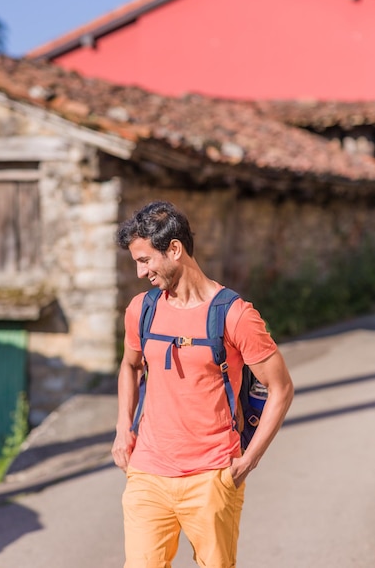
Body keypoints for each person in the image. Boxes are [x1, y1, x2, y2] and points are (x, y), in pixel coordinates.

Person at [112, 200, 294, 568]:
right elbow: (131, 366)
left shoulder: (234, 314)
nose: (139, 272)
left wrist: (248, 462)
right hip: (148, 472)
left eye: (145, 260)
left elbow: (281, 388)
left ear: (174, 249)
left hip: (212, 476)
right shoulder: (141, 309)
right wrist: (122, 429)